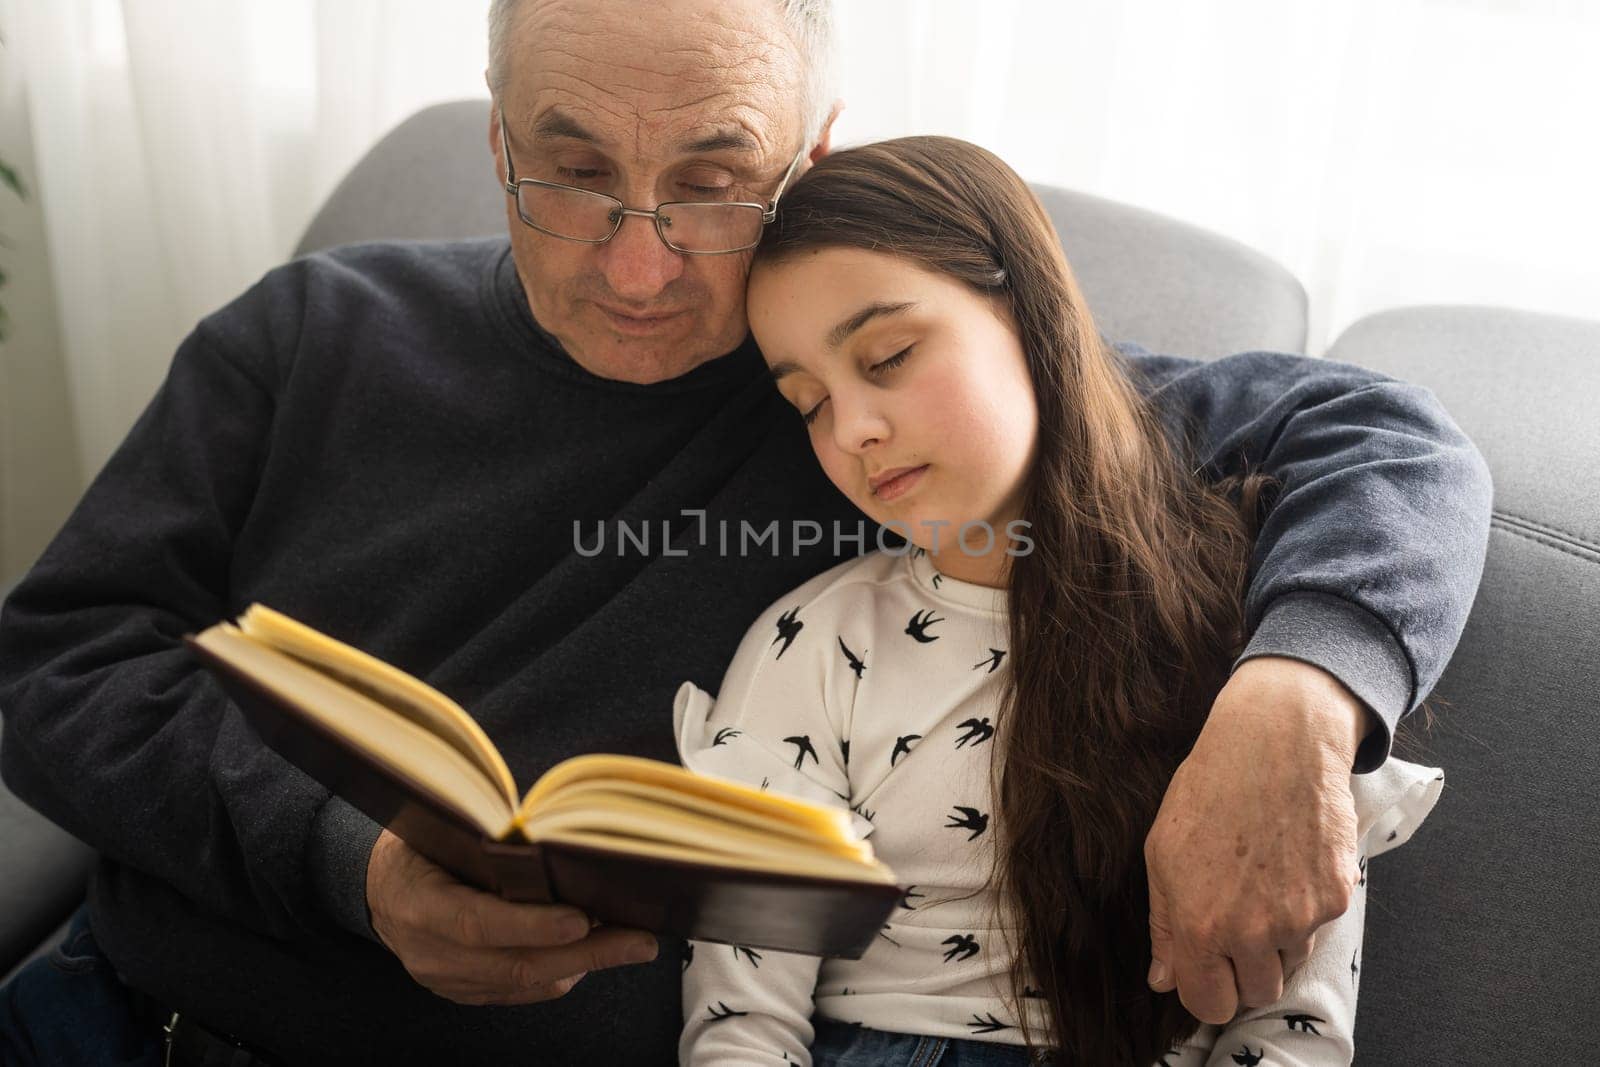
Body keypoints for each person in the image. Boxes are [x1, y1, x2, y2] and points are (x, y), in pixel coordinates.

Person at [0, 0, 1490, 1063]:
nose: (638, 262)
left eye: (714, 184)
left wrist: (1292, 702)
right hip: (115, 1006)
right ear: (498, 125)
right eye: (571, 168)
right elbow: (52, 658)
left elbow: (1391, 442)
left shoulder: (883, 407)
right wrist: (344, 859)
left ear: (810, 152)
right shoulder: (310, 328)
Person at [674, 135, 1447, 1067]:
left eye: (887, 357)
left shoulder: (1251, 640)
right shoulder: (815, 643)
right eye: (808, 402)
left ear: (1029, 314)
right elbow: (740, 1024)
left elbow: (1294, 1033)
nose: (854, 429)